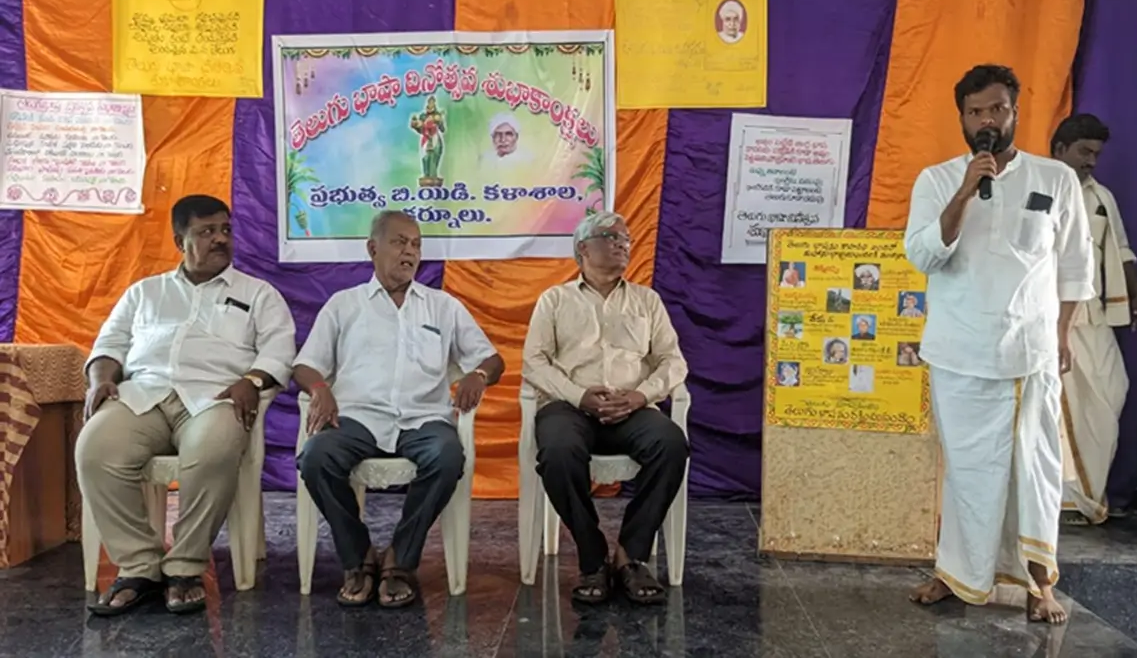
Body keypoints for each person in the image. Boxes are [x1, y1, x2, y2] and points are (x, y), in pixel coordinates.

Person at [904, 64, 1094, 625]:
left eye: (999, 110)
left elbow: (1075, 267)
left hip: (1030, 354)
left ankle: (1040, 584)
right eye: (977, 111)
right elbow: (922, 256)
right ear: (962, 117)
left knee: (1032, 470)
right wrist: (965, 191)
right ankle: (955, 572)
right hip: (959, 352)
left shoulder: (1055, 179)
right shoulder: (937, 180)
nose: (989, 120)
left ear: (1015, 113)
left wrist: (1060, 336)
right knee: (966, 470)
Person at [77, 195, 296, 617]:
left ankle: (184, 568)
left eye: (226, 230)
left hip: (216, 398)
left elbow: (279, 350)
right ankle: (139, 567)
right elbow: (109, 345)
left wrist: (252, 380)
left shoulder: (259, 294)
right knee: (95, 449)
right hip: (143, 395)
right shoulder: (145, 292)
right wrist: (101, 380)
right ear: (181, 240)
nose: (220, 239)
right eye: (207, 232)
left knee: (211, 450)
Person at [294, 210, 504, 608]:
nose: (410, 252)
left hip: (422, 419)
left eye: (416, 244)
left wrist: (477, 374)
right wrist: (320, 387)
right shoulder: (344, 305)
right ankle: (358, 558)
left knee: (447, 456)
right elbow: (306, 364)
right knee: (316, 457)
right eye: (399, 242)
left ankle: (400, 560)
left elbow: (492, 360)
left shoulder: (443, 307)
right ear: (373, 249)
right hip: (357, 417)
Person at [523, 211, 689, 606]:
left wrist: (639, 396)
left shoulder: (647, 301)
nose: (622, 244)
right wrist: (579, 396)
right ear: (583, 248)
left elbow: (673, 361)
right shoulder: (555, 299)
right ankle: (592, 554)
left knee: (671, 444)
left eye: (626, 239)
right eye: (611, 236)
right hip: (570, 406)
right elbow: (534, 361)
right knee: (559, 452)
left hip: (630, 407)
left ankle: (630, 555)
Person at [1050, 113, 1137, 525]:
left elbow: (1120, 248)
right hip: (1052, 314)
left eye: (1096, 154)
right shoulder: (1040, 189)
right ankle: (1065, 499)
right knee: (1059, 405)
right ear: (1059, 150)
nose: (1091, 160)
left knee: (1114, 388)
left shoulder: (1101, 197)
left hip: (1095, 313)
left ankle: (1088, 492)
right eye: (1084, 151)